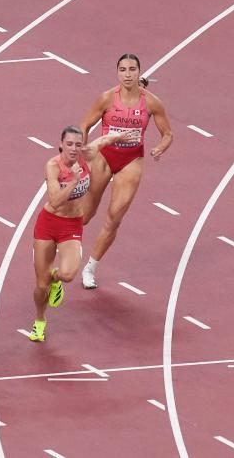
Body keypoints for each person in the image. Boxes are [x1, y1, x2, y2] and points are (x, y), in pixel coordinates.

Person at [78, 53, 173, 289]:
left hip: (131, 161)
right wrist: (82, 153)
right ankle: (62, 242)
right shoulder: (107, 98)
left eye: (132, 69)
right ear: (117, 73)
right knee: (86, 215)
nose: (128, 74)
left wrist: (160, 148)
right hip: (104, 157)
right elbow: (84, 125)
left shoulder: (151, 102)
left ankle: (90, 268)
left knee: (114, 218)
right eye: (123, 70)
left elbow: (168, 134)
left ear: (139, 72)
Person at [28, 126, 130, 342]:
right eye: (69, 144)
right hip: (48, 223)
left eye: (77, 144)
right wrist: (74, 181)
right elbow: (55, 201)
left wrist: (121, 136)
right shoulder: (53, 166)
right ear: (61, 145)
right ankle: (39, 321)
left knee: (67, 275)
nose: (74, 149)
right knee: (41, 285)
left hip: (72, 225)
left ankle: (55, 279)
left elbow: (103, 140)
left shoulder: (87, 155)